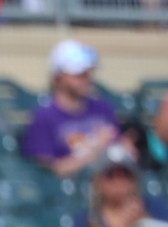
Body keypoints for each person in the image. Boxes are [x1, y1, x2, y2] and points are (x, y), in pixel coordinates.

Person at [21, 40, 123, 178]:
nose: (87, 79)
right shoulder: (44, 117)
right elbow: (51, 171)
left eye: (88, 73)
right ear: (58, 76)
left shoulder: (103, 109)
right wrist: (96, 149)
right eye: (79, 74)